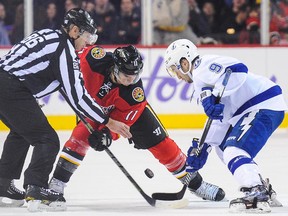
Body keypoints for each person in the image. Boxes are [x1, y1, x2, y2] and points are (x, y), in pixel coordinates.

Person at [48, 44, 226, 204]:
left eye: (135, 76)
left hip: (128, 114)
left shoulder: (135, 94)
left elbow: (123, 124)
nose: (131, 80)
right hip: (93, 109)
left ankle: (196, 184)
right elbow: (71, 56)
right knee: (79, 138)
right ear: (115, 68)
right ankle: (56, 184)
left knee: (163, 145)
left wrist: (107, 136)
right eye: (126, 76)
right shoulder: (93, 59)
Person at [0, 8, 131, 212]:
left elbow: (22, 64)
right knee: (47, 139)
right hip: (12, 89)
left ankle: (3, 185)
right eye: (87, 36)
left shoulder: (47, 34)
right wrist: (107, 121)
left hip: (7, 85)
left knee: (21, 132)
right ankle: (36, 188)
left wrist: (25, 98)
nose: (88, 42)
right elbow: (78, 97)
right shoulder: (64, 51)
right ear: (74, 30)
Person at [164, 39, 287, 213]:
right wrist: (203, 148)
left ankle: (255, 190)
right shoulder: (201, 86)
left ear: (184, 62)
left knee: (233, 150)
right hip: (255, 108)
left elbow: (238, 69)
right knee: (222, 148)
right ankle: (260, 185)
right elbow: (219, 120)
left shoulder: (202, 66)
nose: (177, 76)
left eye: (175, 70)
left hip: (263, 105)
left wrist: (216, 93)